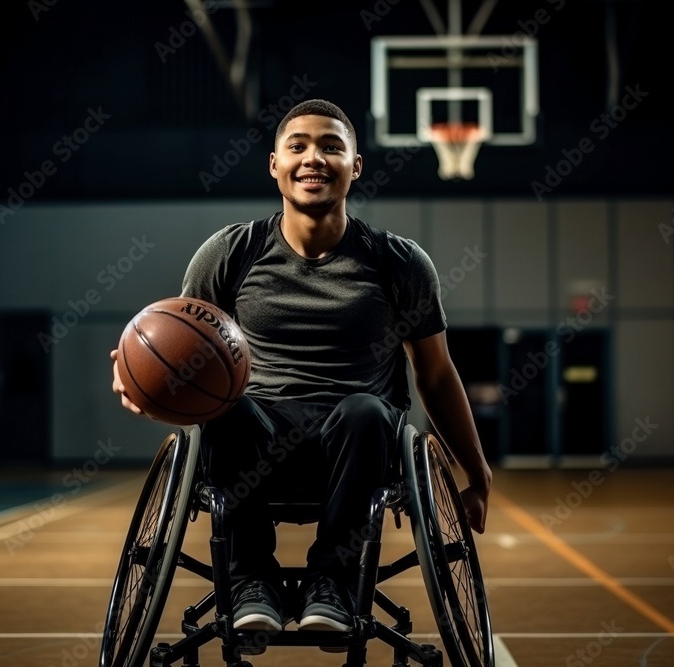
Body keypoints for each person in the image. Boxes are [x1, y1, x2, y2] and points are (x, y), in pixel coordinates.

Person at [111, 99, 492, 646]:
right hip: (257, 440)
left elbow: (434, 374)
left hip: (360, 442)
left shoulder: (398, 262)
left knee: (364, 411)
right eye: (299, 146)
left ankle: (331, 584)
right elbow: (177, 351)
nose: (314, 158)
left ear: (355, 166)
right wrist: (136, 377)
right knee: (229, 408)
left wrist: (476, 474)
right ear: (274, 165)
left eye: (331, 146)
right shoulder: (230, 252)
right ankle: (249, 585)